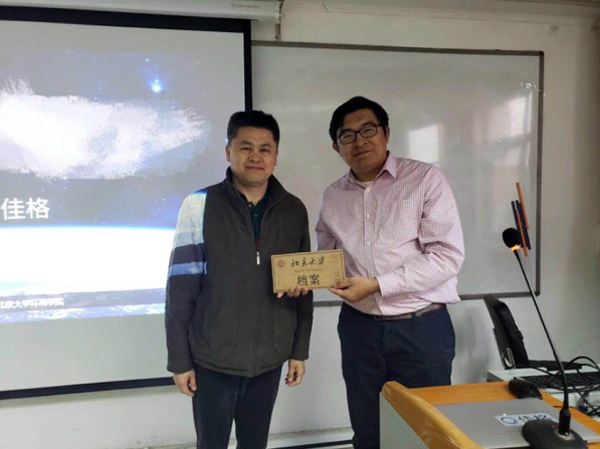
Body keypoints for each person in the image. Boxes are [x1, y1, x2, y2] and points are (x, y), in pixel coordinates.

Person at [316, 96, 464, 449]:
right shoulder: (333, 195)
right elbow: (327, 255)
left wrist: (377, 285)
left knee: (426, 432)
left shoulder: (425, 179)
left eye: (368, 130)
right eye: (347, 135)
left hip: (421, 329)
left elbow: (446, 256)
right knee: (367, 430)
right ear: (336, 147)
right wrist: (304, 278)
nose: (359, 141)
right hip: (359, 329)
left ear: (386, 133)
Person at [165, 110, 313, 449]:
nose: (255, 157)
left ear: (276, 156)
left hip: (269, 359)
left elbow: (304, 290)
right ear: (228, 151)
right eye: (246, 148)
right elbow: (180, 291)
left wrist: (299, 351)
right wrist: (180, 361)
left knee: (255, 444)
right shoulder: (198, 205)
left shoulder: (293, 210)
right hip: (212, 359)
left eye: (265, 149)